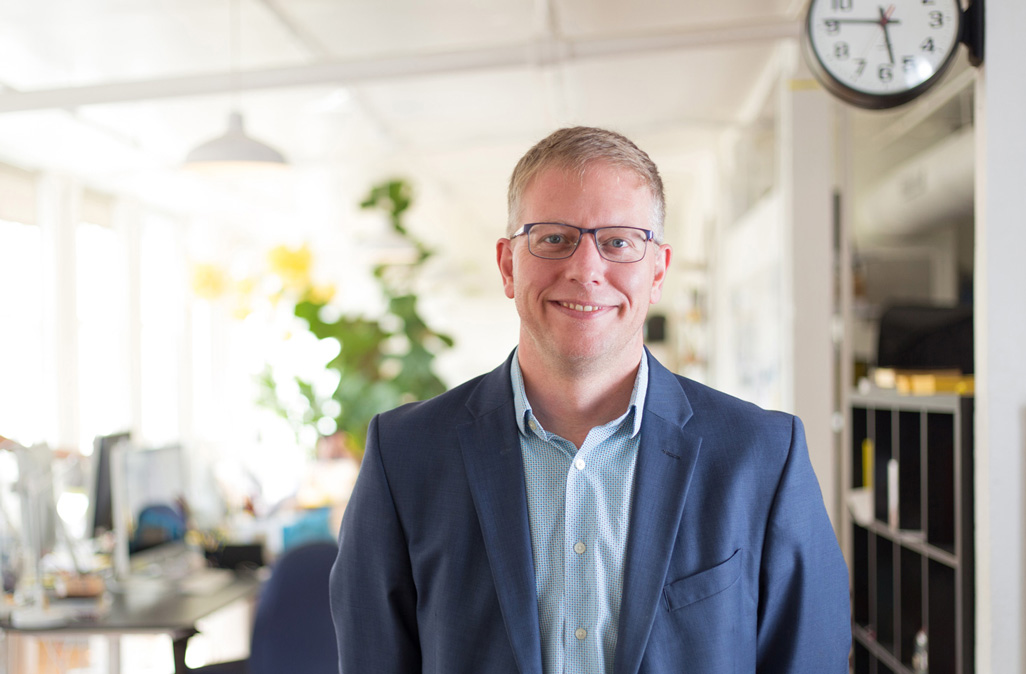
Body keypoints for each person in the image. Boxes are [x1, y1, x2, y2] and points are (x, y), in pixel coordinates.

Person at [329, 126, 851, 673]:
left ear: (658, 271)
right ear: (508, 265)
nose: (585, 268)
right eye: (553, 238)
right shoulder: (405, 455)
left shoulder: (762, 456)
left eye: (619, 241)